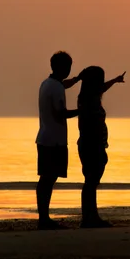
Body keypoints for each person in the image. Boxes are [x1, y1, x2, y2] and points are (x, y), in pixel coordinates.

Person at [35, 51, 81, 230]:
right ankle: (44, 219)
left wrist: (77, 79)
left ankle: (43, 217)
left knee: (46, 179)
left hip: (46, 137)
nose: (69, 70)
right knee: (48, 179)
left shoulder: (48, 83)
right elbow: (61, 113)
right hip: (53, 141)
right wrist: (81, 110)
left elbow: (63, 85)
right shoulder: (55, 87)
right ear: (62, 67)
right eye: (68, 67)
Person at [78, 66, 125, 228]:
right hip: (92, 145)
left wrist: (115, 80)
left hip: (91, 145)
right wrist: (100, 146)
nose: (102, 83)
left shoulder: (88, 97)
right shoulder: (89, 100)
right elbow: (91, 126)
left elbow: (102, 88)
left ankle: (91, 216)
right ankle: (89, 218)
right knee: (91, 181)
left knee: (91, 181)